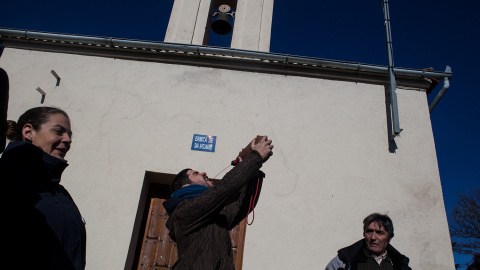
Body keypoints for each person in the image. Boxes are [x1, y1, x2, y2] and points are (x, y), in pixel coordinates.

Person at [162, 136, 273, 270]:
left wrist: (252, 172)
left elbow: (243, 205)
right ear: (185, 187)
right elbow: (224, 189)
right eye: (195, 173)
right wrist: (255, 157)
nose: (204, 172)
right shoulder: (183, 211)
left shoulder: (215, 217)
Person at [1, 106, 86, 270]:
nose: (68, 140)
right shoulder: (6, 180)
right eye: (58, 131)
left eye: (69, 135)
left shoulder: (61, 194)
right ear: (28, 132)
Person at [325, 213, 411, 270]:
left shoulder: (400, 264)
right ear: (364, 233)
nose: (373, 237)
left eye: (379, 233)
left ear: (389, 237)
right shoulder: (344, 261)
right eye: (369, 231)